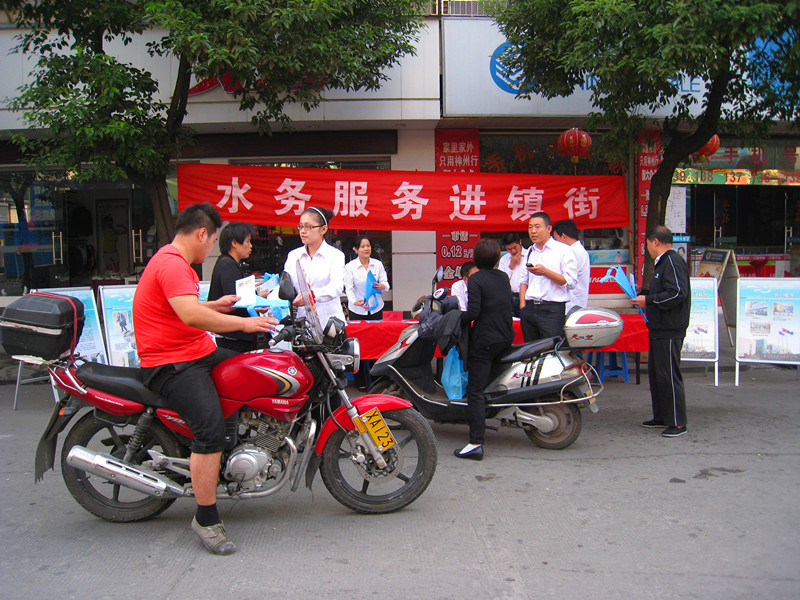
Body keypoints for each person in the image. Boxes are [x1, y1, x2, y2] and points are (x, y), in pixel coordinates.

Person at [133, 203, 277, 555]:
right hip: (172, 363)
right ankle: (207, 518)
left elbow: (183, 308)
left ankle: (233, 445)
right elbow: (189, 315)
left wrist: (217, 305)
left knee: (248, 371)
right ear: (202, 234)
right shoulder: (172, 264)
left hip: (196, 352)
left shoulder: (176, 262)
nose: (212, 245)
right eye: (212, 239)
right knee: (209, 432)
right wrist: (244, 322)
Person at [454, 239, 515, 461]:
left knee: (475, 391)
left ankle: (475, 443)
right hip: (505, 337)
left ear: (477, 258)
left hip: (486, 341)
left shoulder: (476, 279)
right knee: (488, 385)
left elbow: (473, 313)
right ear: (497, 258)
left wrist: (454, 317)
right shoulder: (503, 277)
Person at [632, 225, 691, 437]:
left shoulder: (673, 261)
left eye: (647, 244)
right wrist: (644, 294)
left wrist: (648, 300)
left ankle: (678, 423)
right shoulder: (662, 263)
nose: (647, 248)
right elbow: (663, 289)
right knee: (657, 376)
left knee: (669, 375)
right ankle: (662, 416)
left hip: (670, 327)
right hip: (658, 326)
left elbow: (677, 293)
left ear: (655, 242)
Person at [518, 212, 577, 342]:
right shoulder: (530, 251)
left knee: (551, 348)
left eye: (537, 227)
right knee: (531, 348)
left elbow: (571, 281)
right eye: (530, 227)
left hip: (552, 309)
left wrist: (545, 272)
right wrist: (523, 305)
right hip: (530, 308)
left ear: (549, 228)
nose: (533, 231)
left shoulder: (563, 250)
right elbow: (523, 280)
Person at [282, 206, 346, 327]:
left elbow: (336, 287)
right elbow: (285, 283)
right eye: (301, 226)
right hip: (304, 324)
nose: (303, 231)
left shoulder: (335, 255)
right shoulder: (294, 256)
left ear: (323, 229)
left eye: (308, 227)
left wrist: (311, 295)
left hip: (330, 324)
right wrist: (268, 301)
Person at [208, 222, 267, 352]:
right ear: (234, 243)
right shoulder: (228, 266)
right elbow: (235, 302)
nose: (251, 246)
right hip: (234, 338)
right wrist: (257, 300)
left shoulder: (228, 263)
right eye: (248, 241)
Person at [344, 234, 390, 390]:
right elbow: (349, 288)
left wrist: (383, 286)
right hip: (358, 310)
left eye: (368, 246)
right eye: (362, 246)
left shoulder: (377, 264)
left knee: (377, 344)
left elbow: (386, 284)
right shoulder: (350, 267)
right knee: (359, 346)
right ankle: (361, 381)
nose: (366, 249)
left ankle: (377, 380)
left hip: (376, 308)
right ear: (356, 249)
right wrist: (353, 301)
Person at [552, 219, 591, 314]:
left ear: (563, 236)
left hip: (571, 304)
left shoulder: (573, 252)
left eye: (556, 239)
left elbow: (563, 278)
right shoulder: (578, 250)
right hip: (574, 303)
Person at [497, 232, 527, 318]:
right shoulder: (504, 259)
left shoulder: (529, 255)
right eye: (509, 249)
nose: (513, 251)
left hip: (526, 297)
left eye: (515, 247)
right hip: (510, 297)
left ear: (520, 242)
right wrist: (511, 265)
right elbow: (501, 281)